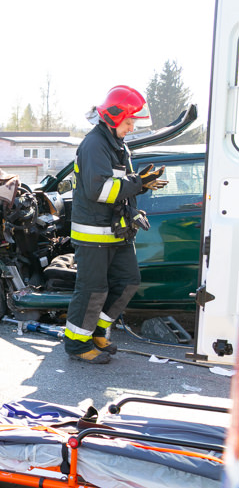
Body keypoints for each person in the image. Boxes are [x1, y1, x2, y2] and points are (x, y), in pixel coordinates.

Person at [63, 86, 168, 364]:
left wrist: (141, 185)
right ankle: (76, 344)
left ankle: (96, 332)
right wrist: (137, 183)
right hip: (93, 233)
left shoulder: (117, 144)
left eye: (133, 122)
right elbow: (101, 190)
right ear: (113, 116)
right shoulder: (94, 145)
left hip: (116, 232)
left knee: (128, 282)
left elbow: (122, 186)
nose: (132, 127)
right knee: (92, 290)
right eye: (129, 121)